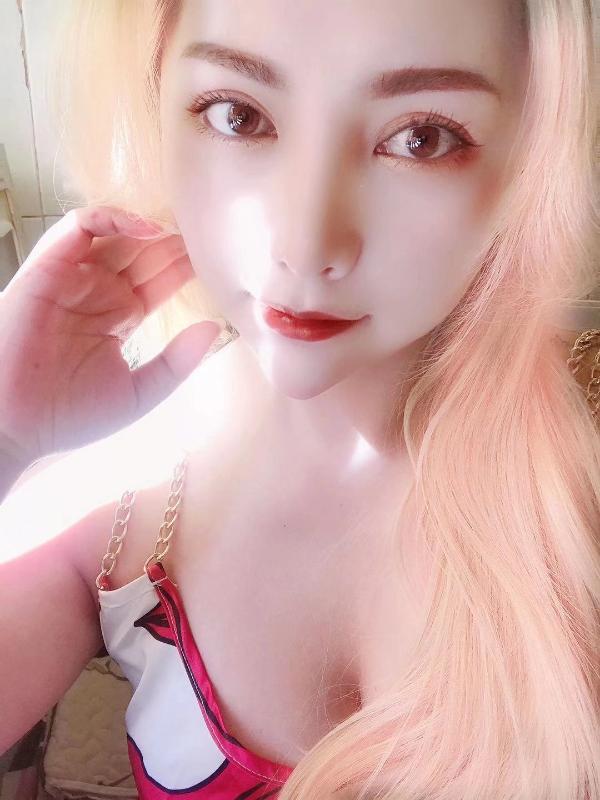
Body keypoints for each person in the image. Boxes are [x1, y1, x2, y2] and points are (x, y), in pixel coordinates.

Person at [0, 0, 598, 797]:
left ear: (530, 157)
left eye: (422, 137)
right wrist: (7, 442)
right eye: (238, 116)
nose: (305, 245)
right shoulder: (120, 492)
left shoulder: (575, 521)